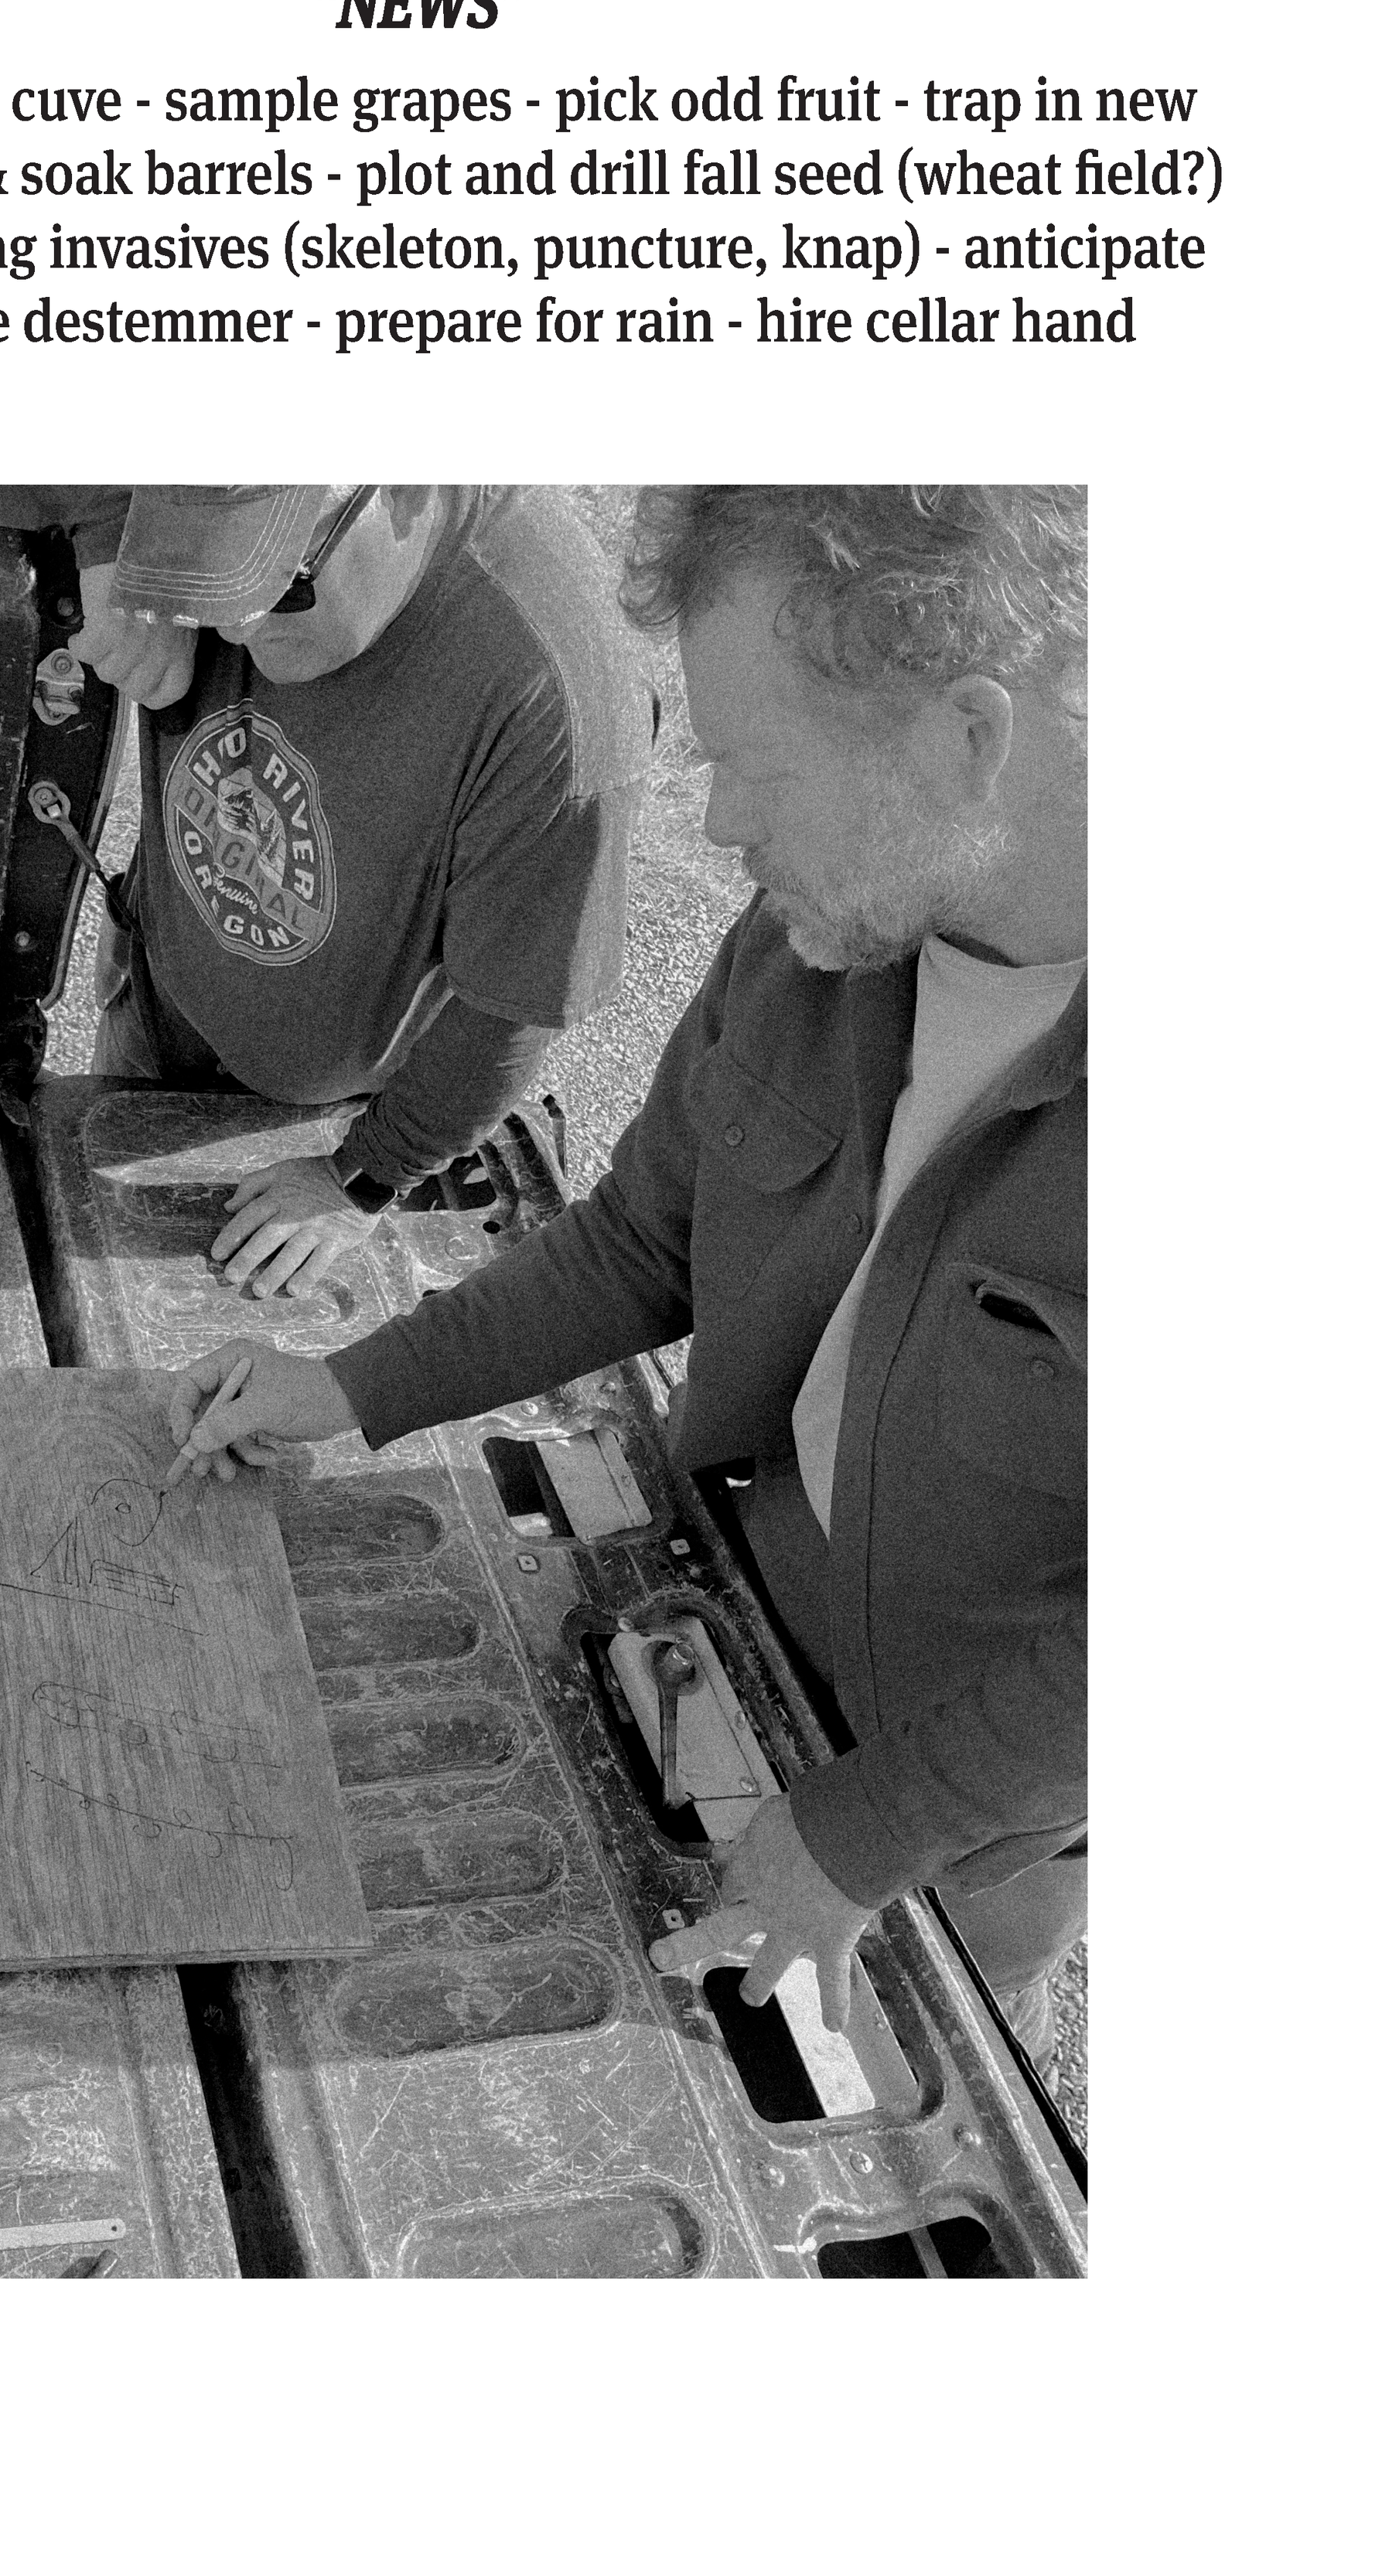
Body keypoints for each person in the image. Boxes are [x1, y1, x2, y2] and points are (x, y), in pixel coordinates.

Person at [162, 485, 1088, 2084]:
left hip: (957, 1827)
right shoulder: (816, 940)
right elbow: (637, 1244)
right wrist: (352, 1383)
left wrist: (872, 1833)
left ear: (964, 742)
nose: (715, 828)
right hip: (712, 1632)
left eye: (751, 766)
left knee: (863, 2156)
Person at [67, 485, 653, 1297]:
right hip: (162, 999)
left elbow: (508, 1009)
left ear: (406, 492)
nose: (235, 627)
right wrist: (109, 548)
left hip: (339, 1117)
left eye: (279, 584)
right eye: (208, 583)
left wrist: (362, 1177)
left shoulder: (553, 691)